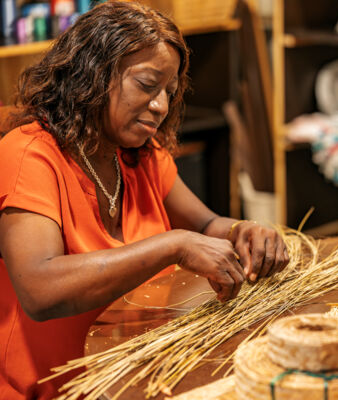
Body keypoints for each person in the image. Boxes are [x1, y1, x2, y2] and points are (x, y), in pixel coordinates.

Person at [0, 2, 289, 398]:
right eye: (147, 84)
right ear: (93, 74)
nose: (161, 106)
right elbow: (39, 290)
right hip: (52, 389)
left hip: (135, 377)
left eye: (169, 92)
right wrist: (172, 246)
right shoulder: (29, 154)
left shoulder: (140, 154)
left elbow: (205, 225)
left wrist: (245, 230)